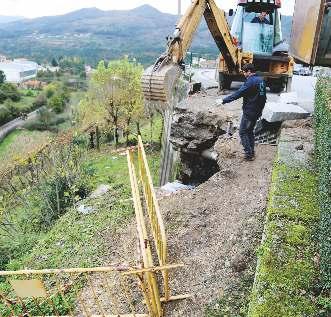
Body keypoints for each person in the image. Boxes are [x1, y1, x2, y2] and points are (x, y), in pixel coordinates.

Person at [221, 63, 267, 161]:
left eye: (244, 72)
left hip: (250, 111)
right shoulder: (261, 80)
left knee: (242, 132)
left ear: (249, 72)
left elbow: (238, 93)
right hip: (257, 111)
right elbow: (263, 98)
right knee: (249, 131)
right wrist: (260, 110)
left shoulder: (250, 82)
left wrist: (223, 100)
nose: (244, 74)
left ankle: (248, 154)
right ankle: (252, 151)